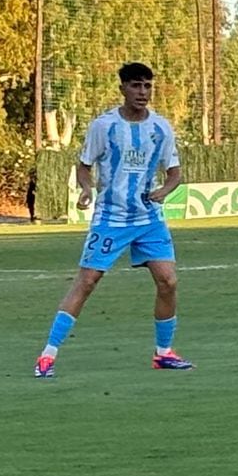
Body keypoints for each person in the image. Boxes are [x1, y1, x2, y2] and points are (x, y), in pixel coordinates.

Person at [35, 62, 193, 378]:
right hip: (111, 218)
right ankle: (47, 356)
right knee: (87, 281)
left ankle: (163, 354)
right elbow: (84, 165)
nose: (142, 92)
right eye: (136, 86)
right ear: (122, 88)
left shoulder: (161, 128)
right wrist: (85, 189)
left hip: (148, 218)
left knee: (168, 280)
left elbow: (174, 173)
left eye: (147, 86)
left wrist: (163, 190)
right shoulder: (103, 126)